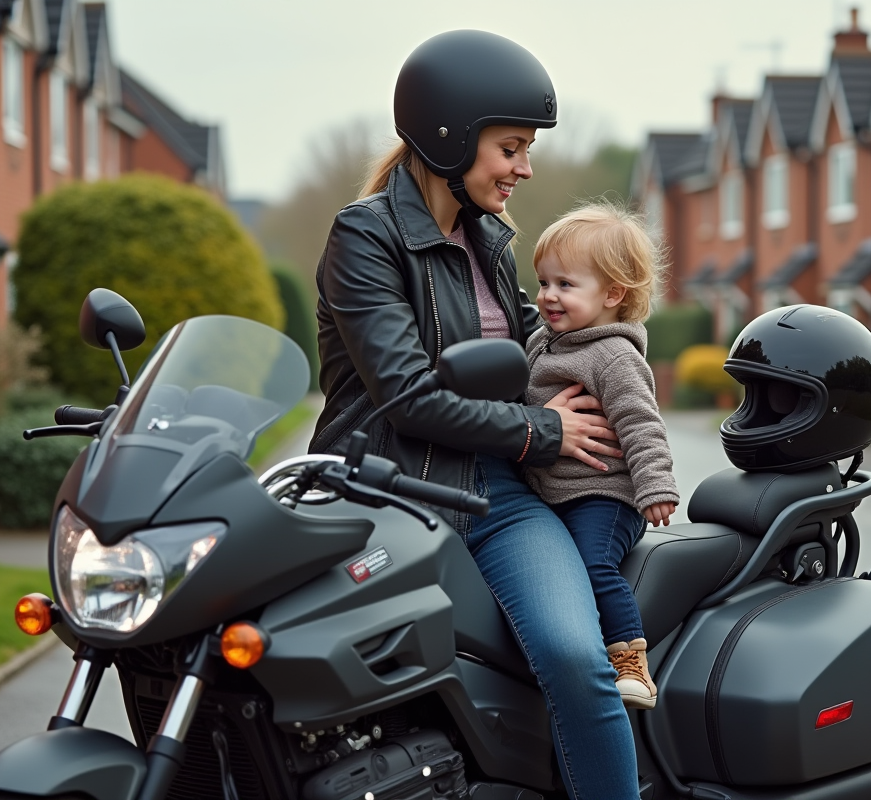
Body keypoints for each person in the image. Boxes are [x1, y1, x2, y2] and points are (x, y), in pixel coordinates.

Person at [307, 30, 641, 800]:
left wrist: (616, 375)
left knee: (574, 657)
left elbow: (537, 345)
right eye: (511, 148)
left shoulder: (489, 236)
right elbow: (407, 396)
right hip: (392, 494)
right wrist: (542, 429)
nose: (524, 168)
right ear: (450, 136)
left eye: (526, 150)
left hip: (499, 495)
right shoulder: (366, 236)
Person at [523, 203, 680, 710]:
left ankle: (629, 662)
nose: (548, 295)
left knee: (592, 565)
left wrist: (655, 486)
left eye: (565, 285)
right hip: (552, 494)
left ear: (613, 295)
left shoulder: (613, 356)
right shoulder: (541, 344)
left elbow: (641, 423)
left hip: (604, 496)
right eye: (544, 282)